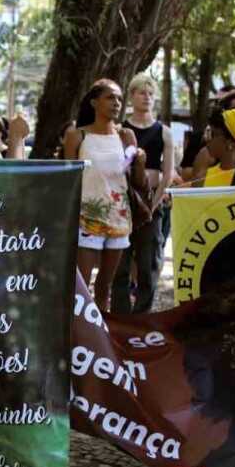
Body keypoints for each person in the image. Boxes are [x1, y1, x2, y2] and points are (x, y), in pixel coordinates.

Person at [63, 79, 145, 311]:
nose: (117, 103)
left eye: (119, 98)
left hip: (118, 217)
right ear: (94, 102)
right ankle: (76, 336)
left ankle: (101, 339)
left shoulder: (127, 136)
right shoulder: (77, 136)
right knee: (80, 286)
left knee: (104, 288)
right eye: (110, 97)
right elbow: (68, 179)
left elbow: (137, 181)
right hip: (86, 217)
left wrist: (140, 164)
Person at [111, 74, 176, 314]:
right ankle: (120, 315)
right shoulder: (119, 130)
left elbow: (168, 173)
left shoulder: (165, 132)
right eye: (141, 93)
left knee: (149, 264)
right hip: (122, 203)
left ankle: (143, 316)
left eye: (150, 94)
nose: (146, 98)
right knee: (120, 263)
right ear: (132, 96)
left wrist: (153, 204)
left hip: (153, 204)